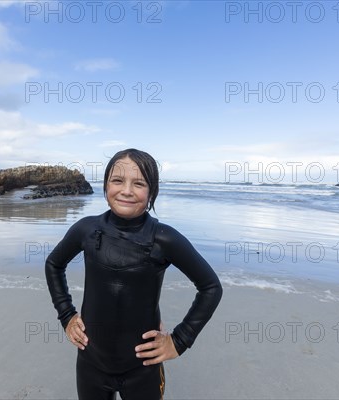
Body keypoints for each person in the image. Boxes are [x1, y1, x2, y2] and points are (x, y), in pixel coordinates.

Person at [45, 149, 223, 400]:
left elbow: (211, 287)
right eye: (117, 181)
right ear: (106, 186)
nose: (126, 190)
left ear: (152, 192)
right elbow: (53, 263)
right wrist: (66, 315)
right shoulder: (86, 230)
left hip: (143, 369)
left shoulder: (164, 239)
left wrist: (180, 340)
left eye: (139, 183)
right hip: (90, 364)